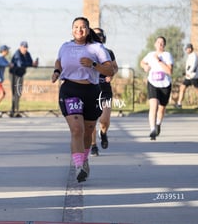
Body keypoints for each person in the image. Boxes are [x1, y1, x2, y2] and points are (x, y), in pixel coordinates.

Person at [51, 17, 114, 183]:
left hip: (91, 91)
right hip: (70, 90)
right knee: (77, 129)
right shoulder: (65, 46)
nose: (79, 30)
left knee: (88, 132)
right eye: (76, 27)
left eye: (83, 27)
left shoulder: (96, 48)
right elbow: (59, 60)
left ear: (88, 29)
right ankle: (79, 167)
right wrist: (57, 71)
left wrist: (93, 65)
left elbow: (109, 70)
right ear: (72, 29)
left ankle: (84, 160)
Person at [90, 28, 118, 156]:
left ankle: (103, 133)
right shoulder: (87, 52)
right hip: (90, 90)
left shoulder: (109, 52)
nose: (97, 36)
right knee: (90, 121)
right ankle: (93, 146)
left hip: (105, 90)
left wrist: (111, 75)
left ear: (103, 37)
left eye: (100, 35)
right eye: (95, 34)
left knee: (104, 120)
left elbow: (115, 67)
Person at [140, 36, 174, 140]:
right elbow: (142, 62)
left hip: (165, 85)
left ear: (164, 45)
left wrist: (159, 61)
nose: (160, 44)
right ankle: (152, 129)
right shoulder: (150, 55)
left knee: (162, 108)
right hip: (152, 83)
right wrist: (145, 66)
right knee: (153, 105)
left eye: (162, 43)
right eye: (158, 42)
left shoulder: (167, 55)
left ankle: (158, 123)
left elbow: (169, 71)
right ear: (155, 44)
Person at [9, 41, 38, 117]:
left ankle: (13, 111)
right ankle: (14, 111)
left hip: (20, 75)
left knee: (18, 93)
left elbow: (30, 63)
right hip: (14, 74)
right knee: (15, 93)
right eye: (24, 47)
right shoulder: (17, 54)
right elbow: (20, 64)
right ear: (20, 47)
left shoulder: (27, 54)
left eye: (26, 47)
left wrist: (34, 64)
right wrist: (30, 64)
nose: (25, 49)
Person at [175, 43, 198, 109]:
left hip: (194, 76)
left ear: (190, 49)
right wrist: (186, 73)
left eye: (187, 49)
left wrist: (189, 72)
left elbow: (193, 66)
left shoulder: (194, 56)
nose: (186, 50)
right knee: (182, 88)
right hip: (188, 77)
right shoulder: (190, 56)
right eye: (186, 49)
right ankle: (179, 104)